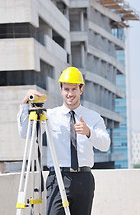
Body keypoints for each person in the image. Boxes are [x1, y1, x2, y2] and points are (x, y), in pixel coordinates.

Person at [17, 66, 110, 215]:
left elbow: (105, 145)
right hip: (58, 178)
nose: (70, 94)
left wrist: (89, 132)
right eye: (66, 89)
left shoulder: (93, 117)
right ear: (61, 90)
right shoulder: (50, 115)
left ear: (81, 89)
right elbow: (25, 133)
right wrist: (24, 105)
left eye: (74, 89)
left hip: (84, 179)